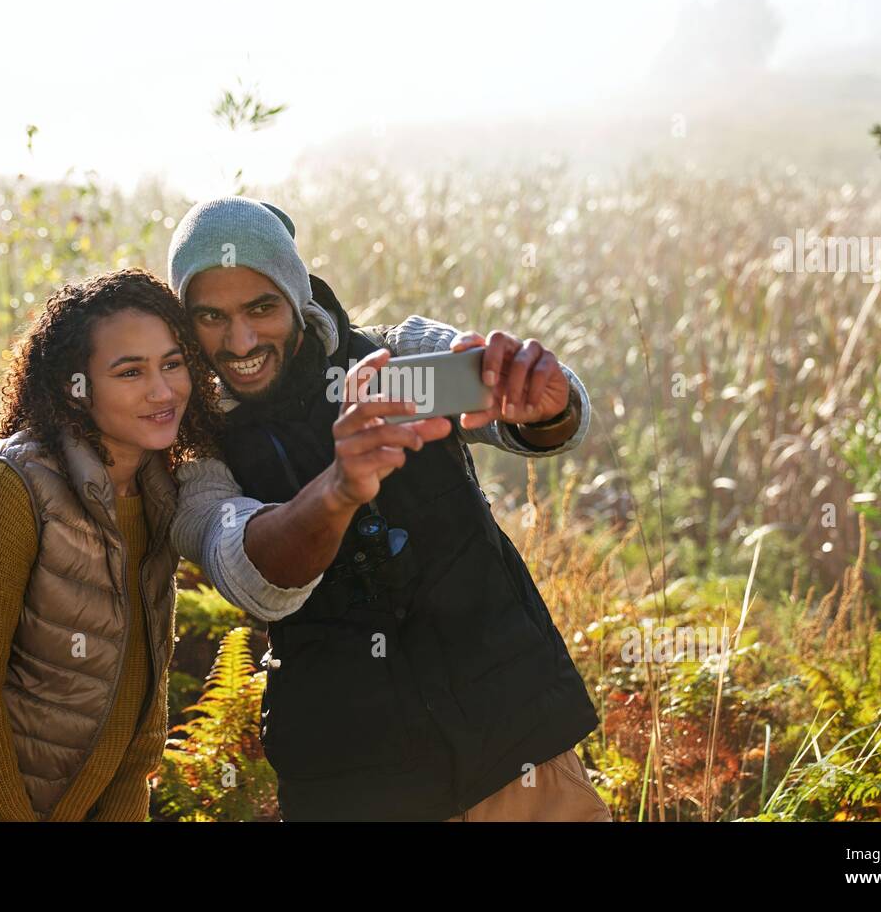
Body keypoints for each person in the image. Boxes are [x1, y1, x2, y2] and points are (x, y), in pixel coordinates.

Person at [167, 197, 612, 821]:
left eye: (261, 308)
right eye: (210, 316)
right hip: (354, 788)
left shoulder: (393, 360)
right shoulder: (200, 451)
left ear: (297, 302)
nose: (239, 340)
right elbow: (249, 573)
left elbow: (541, 423)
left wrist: (543, 401)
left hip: (517, 755)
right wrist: (339, 489)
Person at [0, 268, 223, 821]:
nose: (162, 390)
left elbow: (138, 715)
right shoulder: (7, 492)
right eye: (130, 372)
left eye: (172, 363)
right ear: (73, 388)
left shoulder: (159, 498)